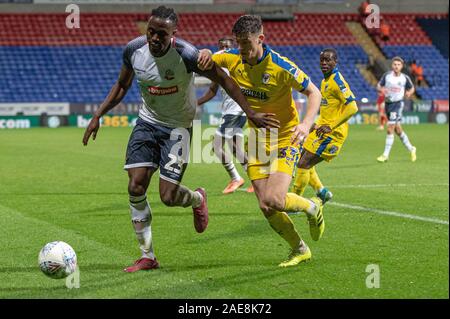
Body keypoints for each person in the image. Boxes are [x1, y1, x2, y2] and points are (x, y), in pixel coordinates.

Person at [82, 7, 276, 273]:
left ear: (174, 34)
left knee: (168, 196)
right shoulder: (133, 50)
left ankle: (197, 199)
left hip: (178, 129)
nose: (154, 38)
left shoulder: (187, 55)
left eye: (161, 34)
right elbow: (122, 85)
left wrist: (250, 111)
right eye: (151, 31)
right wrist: (97, 115)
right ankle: (147, 256)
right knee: (136, 186)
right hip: (147, 124)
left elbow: (225, 80)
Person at [210, 15, 324, 267]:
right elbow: (203, 57)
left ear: (261, 39)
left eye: (246, 43)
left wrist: (305, 125)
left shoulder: (281, 66)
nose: (242, 49)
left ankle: (313, 207)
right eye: (238, 43)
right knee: (265, 206)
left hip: (286, 138)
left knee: (274, 198)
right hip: (258, 142)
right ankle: (299, 249)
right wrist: (206, 52)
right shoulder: (232, 57)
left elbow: (313, 92)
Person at [292, 49, 358, 204]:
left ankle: (294, 202)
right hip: (322, 130)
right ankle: (322, 192)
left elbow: (353, 107)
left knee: (303, 164)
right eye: (322, 60)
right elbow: (329, 109)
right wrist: (318, 123)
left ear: (336, 62)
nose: (324, 63)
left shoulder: (337, 81)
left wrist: (331, 126)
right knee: (303, 160)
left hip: (332, 135)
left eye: (328, 60)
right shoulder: (325, 81)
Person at [197, 37, 253, 194]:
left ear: (233, 47)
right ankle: (257, 180)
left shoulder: (238, 63)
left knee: (216, 144)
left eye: (227, 46)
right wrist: (196, 103)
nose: (224, 48)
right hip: (231, 111)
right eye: (221, 46)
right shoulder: (218, 66)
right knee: (236, 149)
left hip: (235, 111)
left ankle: (236, 178)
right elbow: (213, 90)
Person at [376, 56, 417, 163]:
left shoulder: (404, 78)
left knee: (390, 128)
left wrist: (409, 92)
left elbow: (412, 88)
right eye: (394, 64)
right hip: (388, 104)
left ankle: (385, 155)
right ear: (392, 65)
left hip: (397, 104)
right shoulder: (387, 76)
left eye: (398, 65)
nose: (396, 66)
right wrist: (382, 89)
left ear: (402, 66)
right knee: (398, 130)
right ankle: (411, 148)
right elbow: (379, 85)